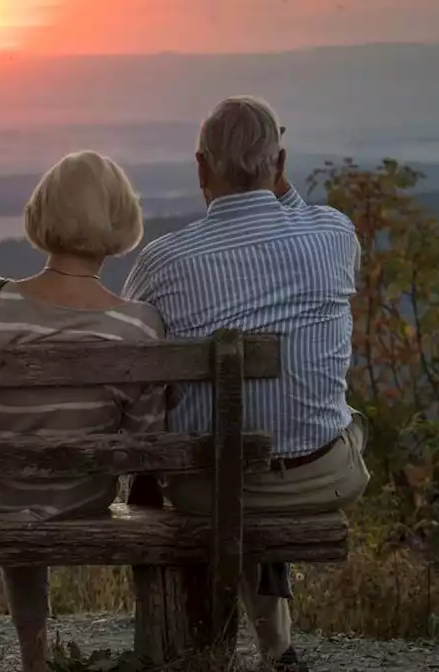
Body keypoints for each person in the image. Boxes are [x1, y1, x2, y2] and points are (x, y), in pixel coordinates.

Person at [120, 96, 370, 672]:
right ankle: (277, 649)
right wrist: (279, 183)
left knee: (229, 454)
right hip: (320, 480)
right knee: (336, 423)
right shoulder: (333, 234)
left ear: (201, 168)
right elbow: (300, 216)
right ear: (280, 165)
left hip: (207, 490)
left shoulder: (164, 262)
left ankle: (219, 647)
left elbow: (129, 354)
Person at [0, 151, 167, 672]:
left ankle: (15, 633)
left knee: (9, 467)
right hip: (76, 494)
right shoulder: (140, 326)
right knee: (33, 473)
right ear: (120, 222)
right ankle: (30, 652)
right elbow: (145, 439)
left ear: (41, 216)